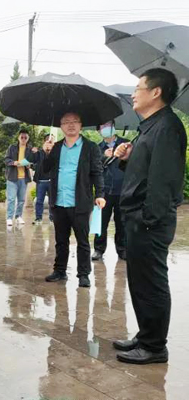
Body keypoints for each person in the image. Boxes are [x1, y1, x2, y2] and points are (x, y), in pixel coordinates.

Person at [113, 68, 187, 365]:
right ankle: (146, 336)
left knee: (152, 283)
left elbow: (164, 180)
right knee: (139, 282)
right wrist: (127, 158)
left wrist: (148, 218)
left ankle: (155, 346)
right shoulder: (151, 126)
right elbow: (145, 170)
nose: (133, 93)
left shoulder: (168, 127)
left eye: (138, 87)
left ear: (156, 92)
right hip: (137, 216)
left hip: (148, 220)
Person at [42, 112, 106, 288]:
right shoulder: (54, 148)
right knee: (61, 241)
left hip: (80, 202)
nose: (71, 125)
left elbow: (97, 172)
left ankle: (83, 274)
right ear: (61, 127)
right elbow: (44, 170)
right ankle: (60, 271)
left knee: (83, 241)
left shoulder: (90, 147)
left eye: (75, 121)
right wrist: (46, 153)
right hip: (59, 202)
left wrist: (100, 194)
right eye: (66, 122)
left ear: (81, 125)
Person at [91, 121, 129, 261]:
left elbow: (134, 162)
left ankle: (123, 249)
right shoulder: (96, 148)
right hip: (104, 191)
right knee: (100, 222)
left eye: (109, 125)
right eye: (103, 126)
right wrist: (103, 156)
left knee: (122, 222)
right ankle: (98, 249)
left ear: (114, 126)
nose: (106, 128)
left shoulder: (126, 144)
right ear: (99, 130)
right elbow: (92, 167)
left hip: (123, 190)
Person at [4, 129, 39, 226]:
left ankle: (18, 216)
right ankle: (9, 218)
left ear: (28, 138)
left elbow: (34, 163)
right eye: (22, 137)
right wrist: (14, 162)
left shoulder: (30, 149)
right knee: (11, 199)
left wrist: (30, 165)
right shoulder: (12, 148)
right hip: (12, 177)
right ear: (18, 137)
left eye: (25, 137)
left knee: (21, 200)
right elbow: (6, 160)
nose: (23, 139)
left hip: (24, 178)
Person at [32, 132, 54, 224]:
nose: (51, 141)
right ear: (44, 141)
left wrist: (50, 152)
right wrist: (34, 152)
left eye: (52, 140)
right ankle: (38, 218)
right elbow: (34, 162)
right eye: (49, 140)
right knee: (39, 200)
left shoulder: (56, 152)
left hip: (52, 181)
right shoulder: (39, 153)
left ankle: (52, 218)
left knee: (52, 201)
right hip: (41, 181)